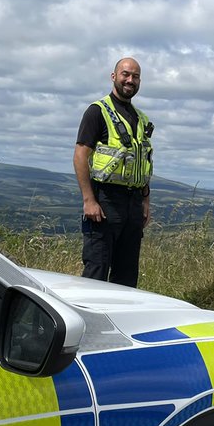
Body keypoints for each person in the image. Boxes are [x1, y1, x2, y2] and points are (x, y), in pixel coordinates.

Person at [73, 57, 154, 286]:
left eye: (135, 76)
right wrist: (89, 200)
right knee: (96, 271)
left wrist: (146, 201)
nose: (130, 80)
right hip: (105, 201)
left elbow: (142, 163)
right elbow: (80, 156)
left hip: (133, 204)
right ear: (114, 76)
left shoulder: (141, 119)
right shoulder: (97, 112)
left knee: (127, 276)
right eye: (125, 74)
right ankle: (88, 320)